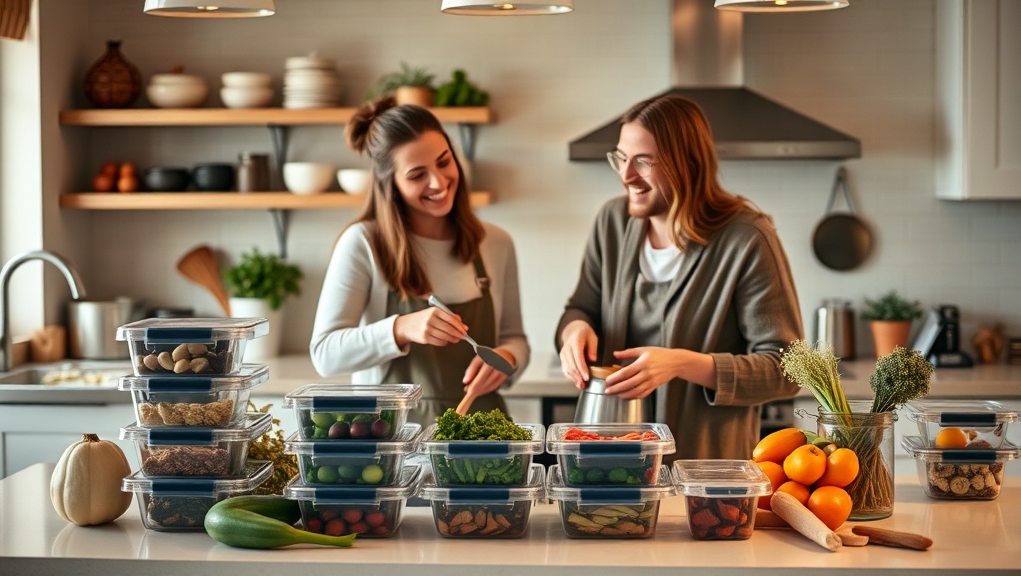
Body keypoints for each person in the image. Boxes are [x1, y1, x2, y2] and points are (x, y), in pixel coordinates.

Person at [556, 94, 803, 460]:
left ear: (687, 163)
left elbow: (787, 369)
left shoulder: (748, 238)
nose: (625, 176)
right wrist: (573, 331)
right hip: (614, 468)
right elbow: (581, 308)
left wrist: (684, 364)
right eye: (621, 158)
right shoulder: (612, 222)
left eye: (643, 161)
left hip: (705, 477)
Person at [310, 96, 529, 425]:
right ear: (391, 185)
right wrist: (400, 328)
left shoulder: (496, 243)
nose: (438, 183)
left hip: (482, 438)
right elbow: (325, 354)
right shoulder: (363, 243)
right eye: (417, 175)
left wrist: (507, 358)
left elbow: (516, 339)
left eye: (444, 162)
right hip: (394, 443)